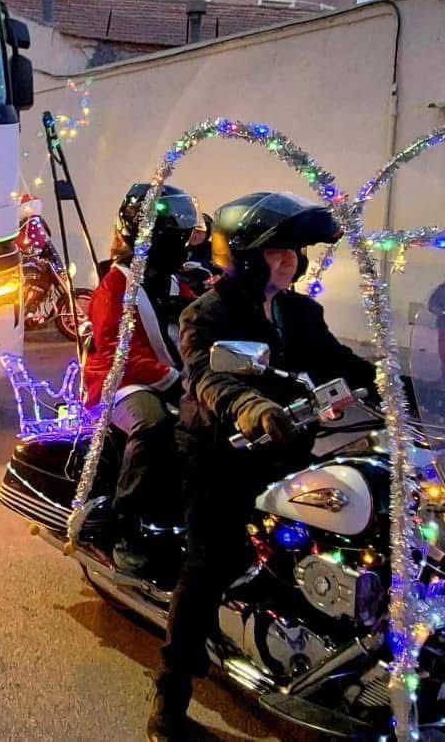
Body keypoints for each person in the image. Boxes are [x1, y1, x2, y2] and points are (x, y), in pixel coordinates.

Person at [148, 192, 377, 741]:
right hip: (219, 452)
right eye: (277, 251)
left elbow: (343, 363)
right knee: (212, 561)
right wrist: (252, 408)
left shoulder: (300, 313)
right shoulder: (207, 312)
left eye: (294, 251)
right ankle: (169, 702)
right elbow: (207, 377)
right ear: (246, 256)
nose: (290, 261)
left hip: (287, 446)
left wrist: (406, 387)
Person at [81, 184, 200, 571]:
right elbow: (121, 355)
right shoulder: (115, 286)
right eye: (172, 238)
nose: (181, 246)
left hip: (170, 376)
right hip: (119, 384)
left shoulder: (177, 284)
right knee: (153, 426)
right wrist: (175, 381)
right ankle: (125, 525)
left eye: (182, 237)